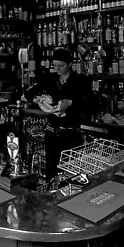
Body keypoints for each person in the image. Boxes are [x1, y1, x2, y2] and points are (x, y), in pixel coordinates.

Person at [25, 48, 86, 179]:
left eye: (61, 66)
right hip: (51, 133)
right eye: (55, 65)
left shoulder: (80, 81)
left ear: (70, 64)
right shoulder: (50, 79)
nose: (58, 69)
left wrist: (70, 103)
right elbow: (28, 92)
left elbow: (90, 104)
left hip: (71, 134)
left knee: (70, 174)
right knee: (51, 173)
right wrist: (36, 99)